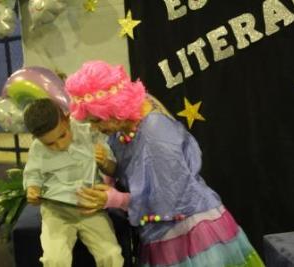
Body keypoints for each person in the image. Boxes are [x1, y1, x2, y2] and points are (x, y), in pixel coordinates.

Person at [65, 60, 265, 267]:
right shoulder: (131, 118)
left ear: (114, 109)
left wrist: (114, 199)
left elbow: (168, 197)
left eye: (96, 120)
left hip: (189, 233)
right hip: (163, 232)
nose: (95, 128)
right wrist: (109, 168)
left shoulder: (155, 134)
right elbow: (138, 170)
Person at [22, 98, 124, 267]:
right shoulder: (37, 148)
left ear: (67, 119)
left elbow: (113, 170)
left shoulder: (89, 134)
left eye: (62, 135)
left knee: (111, 255)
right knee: (54, 260)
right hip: (57, 213)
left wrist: (105, 162)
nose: (60, 145)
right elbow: (33, 175)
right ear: (37, 139)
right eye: (50, 144)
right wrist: (33, 189)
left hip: (90, 208)